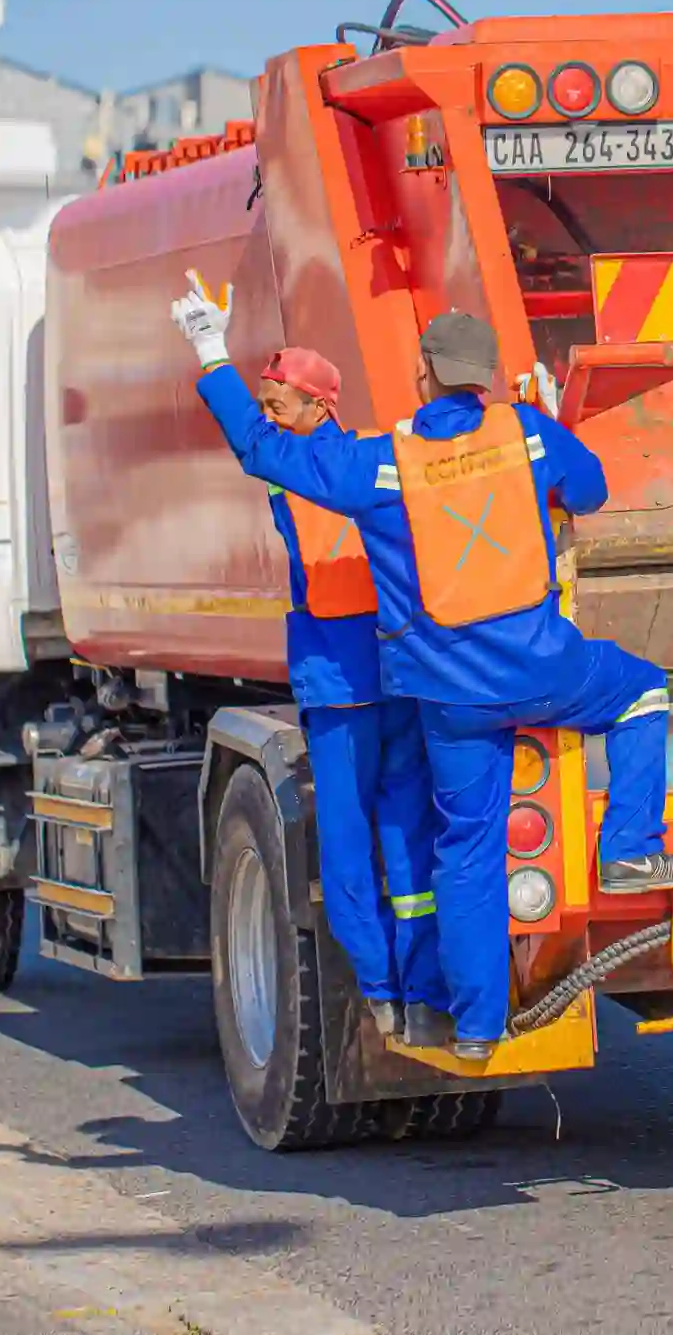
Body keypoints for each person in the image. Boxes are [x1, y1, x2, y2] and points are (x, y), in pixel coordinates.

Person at [172, 279, 673, 1060]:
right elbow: (590, 490)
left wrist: (211, 351)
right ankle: (628, 843)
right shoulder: (525, 432)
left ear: (424, 375)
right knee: (640, 691)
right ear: (485, 378)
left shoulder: (385, 465)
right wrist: (547, 438)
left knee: (465, 849)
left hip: (445, 696)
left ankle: (479, 1028)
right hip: (541, 669)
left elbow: (263, 451)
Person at [178, 332, 449, 1047]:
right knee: (406, 834)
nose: (268, 414)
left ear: (317, 406)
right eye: (265, 401)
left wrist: (211, 356)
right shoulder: (375, 458)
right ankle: (418, 995)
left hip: (343, 687)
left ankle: (391, 995)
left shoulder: (294, 470)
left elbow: (250, 441)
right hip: (398, 672)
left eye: (278, 402)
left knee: (355, 845)